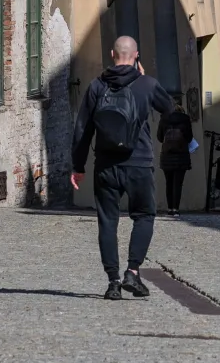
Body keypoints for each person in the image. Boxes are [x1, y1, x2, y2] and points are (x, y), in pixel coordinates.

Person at [71, 35, 173, 300]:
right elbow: (170, 110)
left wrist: (78, 166)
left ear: (112, 54)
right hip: (139, 163)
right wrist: (146, 80)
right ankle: (133, 271)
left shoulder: (96, 87)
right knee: (144, 216)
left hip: (106, 165)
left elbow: (83, 129)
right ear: (135, 55)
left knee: (108, 222)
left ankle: (113, 282)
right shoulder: (146, 84)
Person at [157, 92, 194, 216]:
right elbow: (189, 137)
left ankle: (170, 209)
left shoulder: (164, 118)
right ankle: (176, 209)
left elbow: (159, 137)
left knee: (169, 182)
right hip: (181, 155)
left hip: (167, 155)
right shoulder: (185, 119)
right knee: (178, 183)